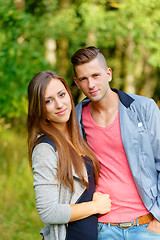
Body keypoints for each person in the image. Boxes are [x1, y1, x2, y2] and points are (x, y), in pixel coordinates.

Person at [71, 46, 160, 240]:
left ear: (108, 74)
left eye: (96, 75)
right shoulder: (75, 118)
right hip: (103, 227)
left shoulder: (144, 108)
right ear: (77, 83)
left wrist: (159, 219)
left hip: (146, 225)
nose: (91, 84)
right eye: (84, 79)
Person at [27, 70, 111, 240]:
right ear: (39, 108)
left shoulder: (78, 136)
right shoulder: (45, 148)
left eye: (62, 94)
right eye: (48, 101)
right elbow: (48, 212)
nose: (59, 104)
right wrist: (95, 206)